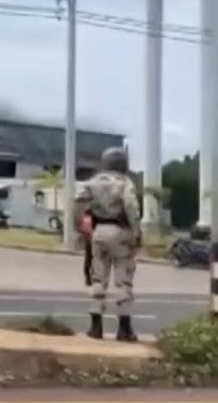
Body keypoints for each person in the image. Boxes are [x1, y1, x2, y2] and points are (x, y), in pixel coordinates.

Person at [73, 146, 141, 342]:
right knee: (123, 280)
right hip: (121, 231)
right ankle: (124, 330)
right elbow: (130, 205)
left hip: (99, 231)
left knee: (98, 279)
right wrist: (136, 231)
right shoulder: (125, 182)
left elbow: (78, 203)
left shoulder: (93, 182)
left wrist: (79, 227)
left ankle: (96, 328)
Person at [79, 208, 95, 287]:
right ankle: (94, 278)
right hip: (94, 241)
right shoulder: (94, 218)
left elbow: (82, 231)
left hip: (88, 241)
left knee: (88, 260)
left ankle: (88, 278)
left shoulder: (84, 218)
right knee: (95, 260)